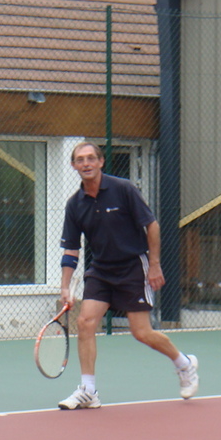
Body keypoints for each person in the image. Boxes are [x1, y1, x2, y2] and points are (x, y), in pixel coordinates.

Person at [57, 142, 198, 410]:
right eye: (80, 160)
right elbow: (71, 250)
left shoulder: (123, 189)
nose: (86, 163)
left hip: (133, 266)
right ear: (73, 165)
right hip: (101, 270)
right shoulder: (75, 204)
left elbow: (151, 225)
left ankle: (184, 364)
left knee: (141, 332)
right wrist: (65, 287)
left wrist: (154, 264)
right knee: (85, 323)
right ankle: (88, 391)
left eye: (91, 158)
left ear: (101, 162)